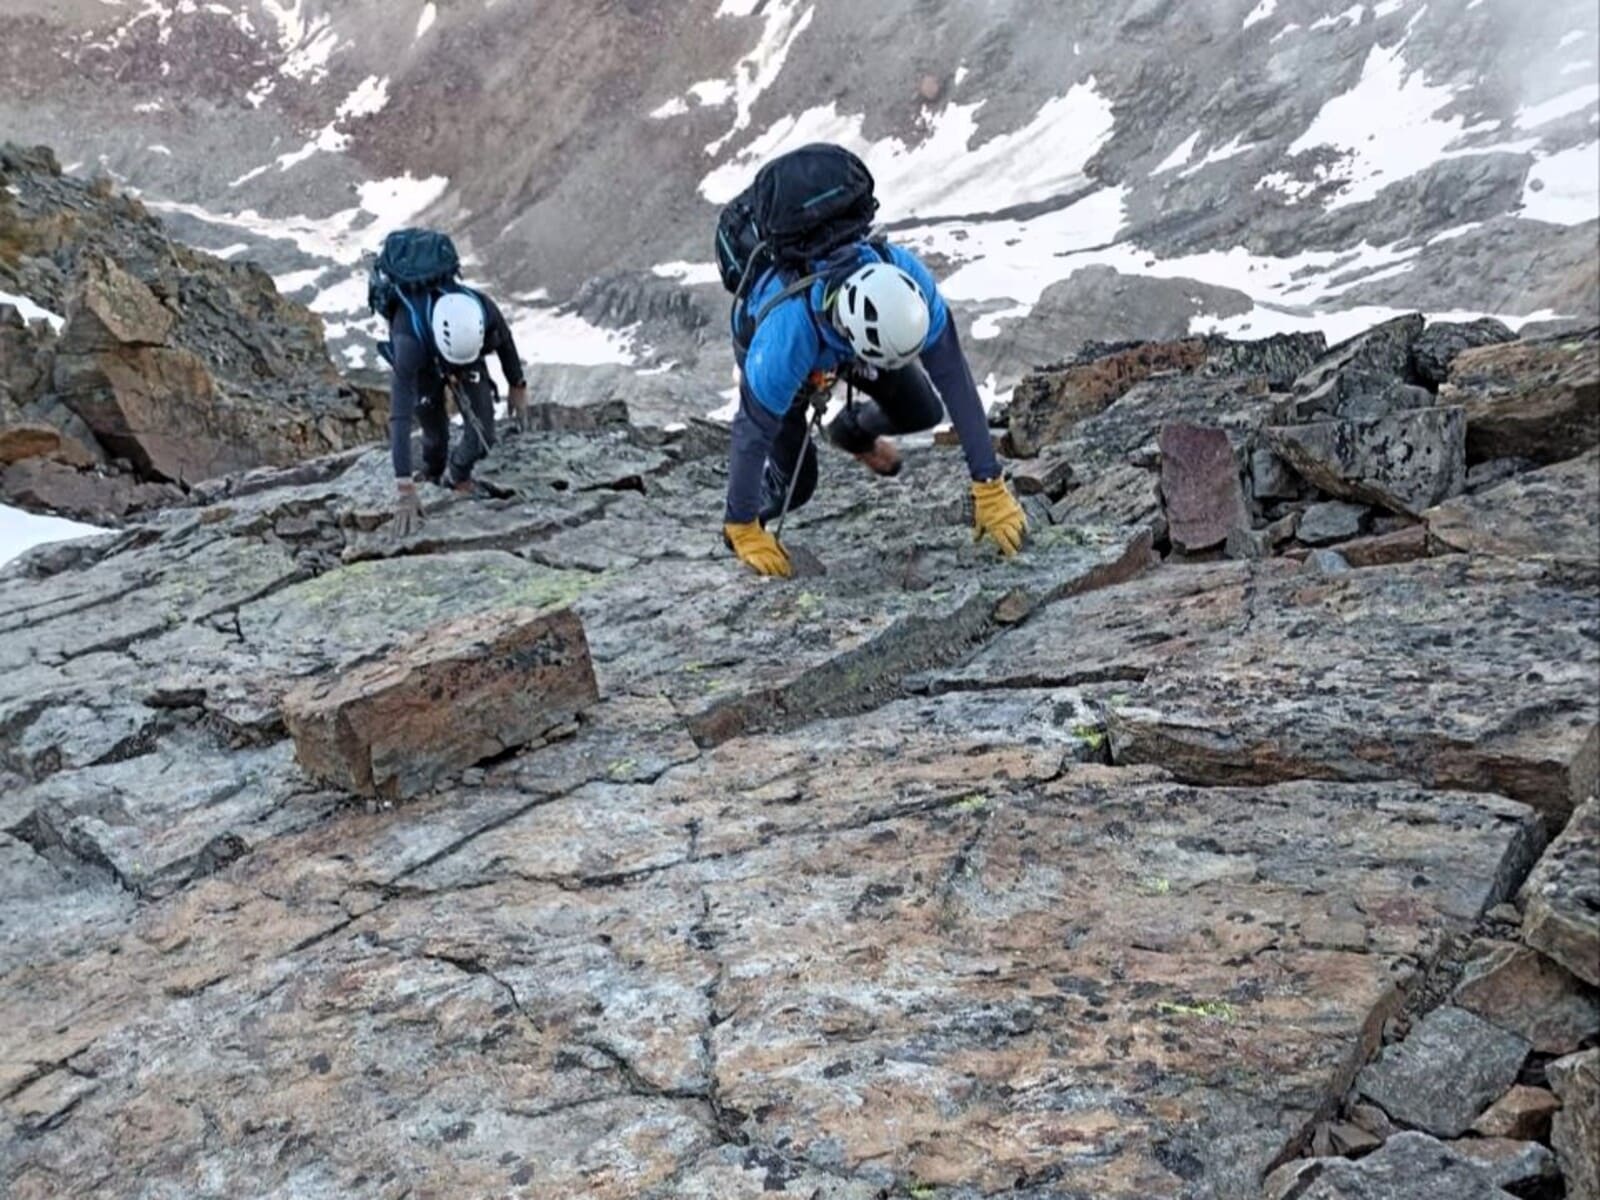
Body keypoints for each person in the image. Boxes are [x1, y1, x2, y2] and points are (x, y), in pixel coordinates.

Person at [721, 242, 1027, 577]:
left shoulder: (907, 279)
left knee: (922, 409)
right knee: (796, 484)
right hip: (795, 348)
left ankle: (852, 432)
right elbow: (752, 430)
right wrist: (741, 522)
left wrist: (988, 481)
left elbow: (954, 377)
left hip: (847, 340)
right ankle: (747, 526)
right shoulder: (786, 341)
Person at [385, 286, 529, 537]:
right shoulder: (408, 343)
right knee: (435, 434)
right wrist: (405, 489)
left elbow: (504, 339)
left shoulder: (482, 310)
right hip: (425, 364)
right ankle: (433, 471)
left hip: (467, 354)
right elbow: (400, 417)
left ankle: (459, 475)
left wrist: (517, 384)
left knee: (483, 434)